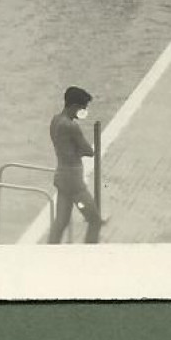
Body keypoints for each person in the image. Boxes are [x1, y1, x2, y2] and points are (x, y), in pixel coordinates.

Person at [48, 86, 107, 244]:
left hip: (61, 175)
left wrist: (74, 150)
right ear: (74, 106)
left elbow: (66, 148)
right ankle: (88, 256)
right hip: (74, 180)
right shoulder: (71, 126)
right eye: (83, 108)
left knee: (61, 222)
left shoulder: (55, 120)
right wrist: (79, 150)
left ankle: (46, 254)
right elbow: (88, 150)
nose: (84, 111)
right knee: (95, 221)